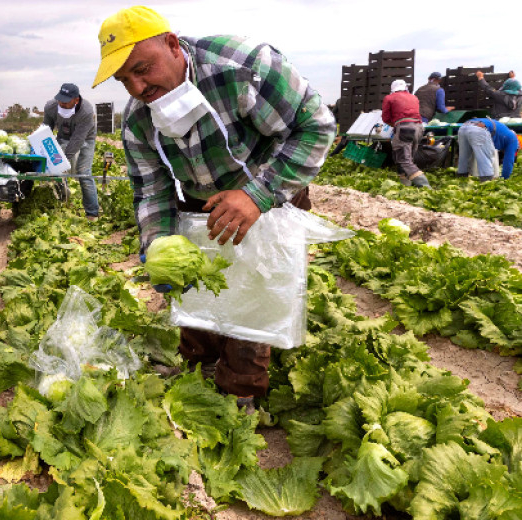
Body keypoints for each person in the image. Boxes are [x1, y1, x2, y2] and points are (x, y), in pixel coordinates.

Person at [93, 7, 335, 408]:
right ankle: (197, 368)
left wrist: (258, 194)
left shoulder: (243, 67)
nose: (137, 87)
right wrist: (157, 247)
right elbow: (152, 192)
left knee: (252, 295)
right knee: (199, 290)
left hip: (271, 190)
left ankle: (239, 392)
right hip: (200, 200)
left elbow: (316, 127)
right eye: (125, 81)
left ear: (172, 45)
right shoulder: (139, 123)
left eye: (143, 69)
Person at [42, 83, 101, 219]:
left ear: (76, 100)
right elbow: (46, 129)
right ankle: (62, 206)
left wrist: (62, 160)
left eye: (66, 102)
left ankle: (92, 213)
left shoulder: (86, 112)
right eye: (60, 100)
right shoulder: (51, 107)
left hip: (86, 138)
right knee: (59, 172)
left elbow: (78, 140)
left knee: (83, 173)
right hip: (63, 136)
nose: (61, 104)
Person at [382, 79, 430, 188]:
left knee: (404, 159)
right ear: (405, 88)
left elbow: (386, 117)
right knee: (409, 157)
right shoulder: (414, 97)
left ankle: (425, 186)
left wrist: (394, 125)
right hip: (419, 128)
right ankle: (405, 183)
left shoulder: (389, 98)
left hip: (405, 129)